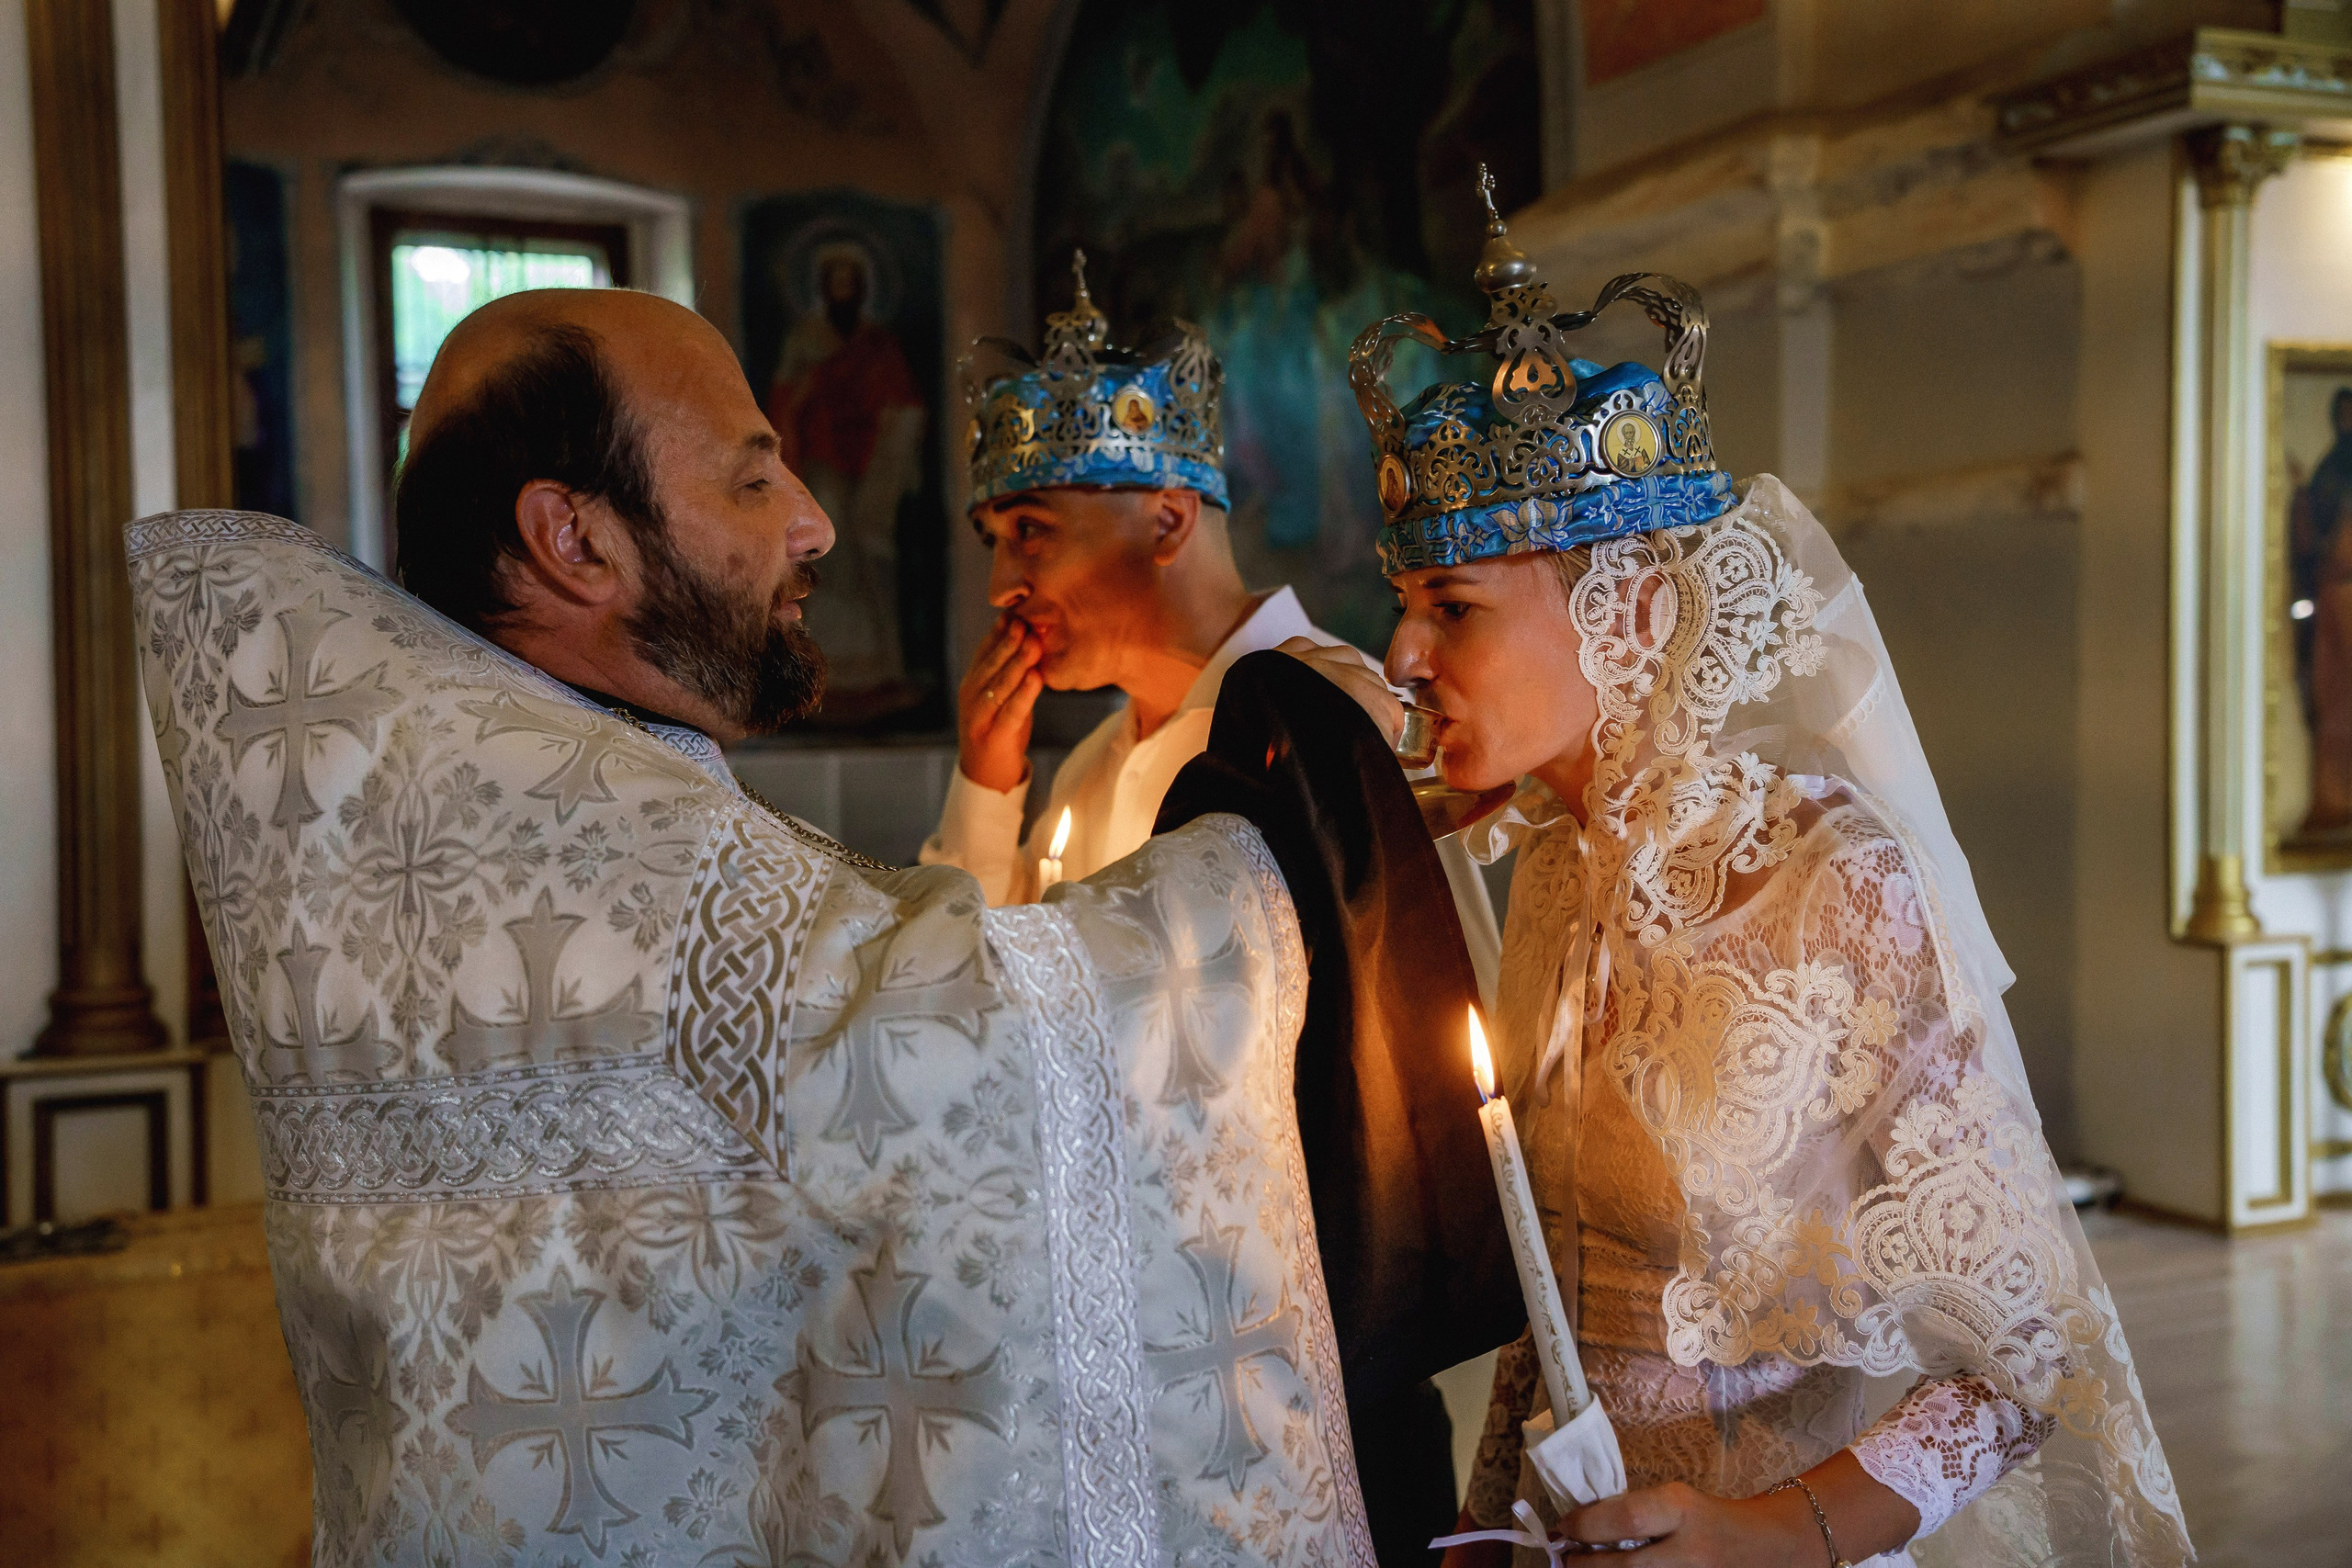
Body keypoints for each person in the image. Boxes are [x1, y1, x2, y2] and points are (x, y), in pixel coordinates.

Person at [130, 287, 1517, 1567]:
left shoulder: (461, 785)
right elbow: (946, 1033)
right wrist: (1268, 854)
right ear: (576, 536)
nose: (817, 522)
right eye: (750, 476)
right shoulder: (568, 812)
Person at [1333, 179, 2190, 1565]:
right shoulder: (1551, 876)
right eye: (1404, 602)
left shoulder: (1834, 883)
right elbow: (1563, 1320)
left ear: (1641, 608)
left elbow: (2027, 1363)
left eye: (1451, 606)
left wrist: (1768, 1534)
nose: (1407, 653)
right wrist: (1493, 1513)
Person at [922, 253, 1502, 1002]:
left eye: (1031, 530)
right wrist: (986, 786)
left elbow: (1455, 1043)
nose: (1002, 587)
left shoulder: (1353, 723)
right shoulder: (1085, 775)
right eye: (992, 539)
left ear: (1167, 520)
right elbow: (985, 1009)